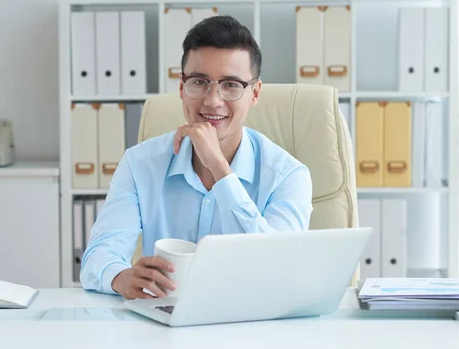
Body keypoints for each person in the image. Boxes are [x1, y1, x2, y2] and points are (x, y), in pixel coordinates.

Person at [80, 15, 313, 299]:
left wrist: (219, 169)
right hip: (162, 330)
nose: (212, 100)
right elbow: (98, 257)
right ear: (181, 87)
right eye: (200, 81)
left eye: (231, 85)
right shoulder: (140, 163)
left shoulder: (289, 175)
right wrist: (120, 277)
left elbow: (277, 270)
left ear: (255, 93)